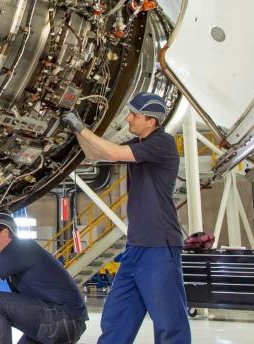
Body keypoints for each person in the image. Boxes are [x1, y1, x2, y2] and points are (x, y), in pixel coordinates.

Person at [63, 92, 191, 344]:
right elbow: (95, 154)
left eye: (135, 114)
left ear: (151, 121)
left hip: (158, 246)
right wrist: (76, 129)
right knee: (117, 315)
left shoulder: (162, 143)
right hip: (135, 247)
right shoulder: (141, 145)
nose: (129, 118)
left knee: (168, 320)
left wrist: (82, 127)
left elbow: (114, 153)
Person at [0, 212, 88, 344]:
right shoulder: (13, 254)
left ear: (5, 232)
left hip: (63, 319)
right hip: (62, 321)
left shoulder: (20, 248)